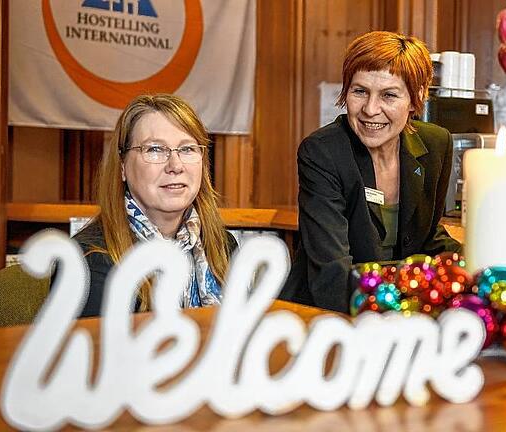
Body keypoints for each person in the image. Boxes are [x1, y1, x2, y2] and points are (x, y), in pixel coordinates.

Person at [281, 31, 461, 313]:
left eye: (389, 95)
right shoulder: (323, 152)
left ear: (416, 99)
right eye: (360, 91)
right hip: (326, 313)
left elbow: (427, 237)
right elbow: (332, 271)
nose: (370, 109)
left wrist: (479, 262)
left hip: (402, 310)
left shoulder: (436, 144)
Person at [68, 94, 237, 317]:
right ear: (122, 166)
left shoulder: (224, 246)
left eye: (187, 149)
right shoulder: (89, 260)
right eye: (155, 149)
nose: (175, 166)